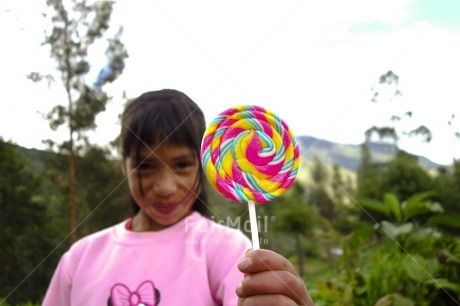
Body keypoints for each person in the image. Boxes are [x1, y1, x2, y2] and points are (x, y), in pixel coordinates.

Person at [43, 89, 314, 306]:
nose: (165, 186)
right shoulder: (79, 259)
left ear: (204, 163)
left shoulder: (226, 250)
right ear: (123, 166)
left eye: (182, 164)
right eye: (145, 166)